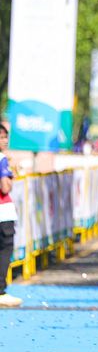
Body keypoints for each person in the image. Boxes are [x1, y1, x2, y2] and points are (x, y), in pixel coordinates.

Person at [0, 125, 20, 308]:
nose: (5, 141)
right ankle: (0, 291)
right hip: (2, 213)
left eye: (6, 137)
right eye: (2, 137)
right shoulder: (1, 159)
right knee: (4, 249)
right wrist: (10, 176)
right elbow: (5, 187)